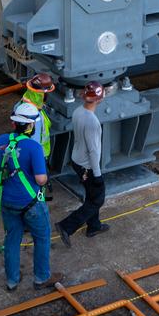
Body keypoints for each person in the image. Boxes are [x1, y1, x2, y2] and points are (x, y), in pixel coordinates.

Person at [0, 102, 58, 292]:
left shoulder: (0, 141)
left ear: (14, 123)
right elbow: (41, 179)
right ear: (31, 126)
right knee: (42, 237)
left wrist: (7, 171)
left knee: (12, 238)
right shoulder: (34, 147)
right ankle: (41, 278)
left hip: (7, 201)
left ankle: (12, 280)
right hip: (30, 202)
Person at [58, 82, 110, 245]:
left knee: (91, 195)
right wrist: (97, 174)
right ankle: (66, 226)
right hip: (87, 166)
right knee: (97, 199)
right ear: (99, 100)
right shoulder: (92, 122)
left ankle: (93, 226)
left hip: (76, 160)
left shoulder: (77, 111)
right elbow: (93, 151)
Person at [21, 73, 55, 160]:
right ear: (42, 94)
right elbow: (34, 143)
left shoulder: (22, 104)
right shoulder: (35, 116)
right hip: (37, 157)